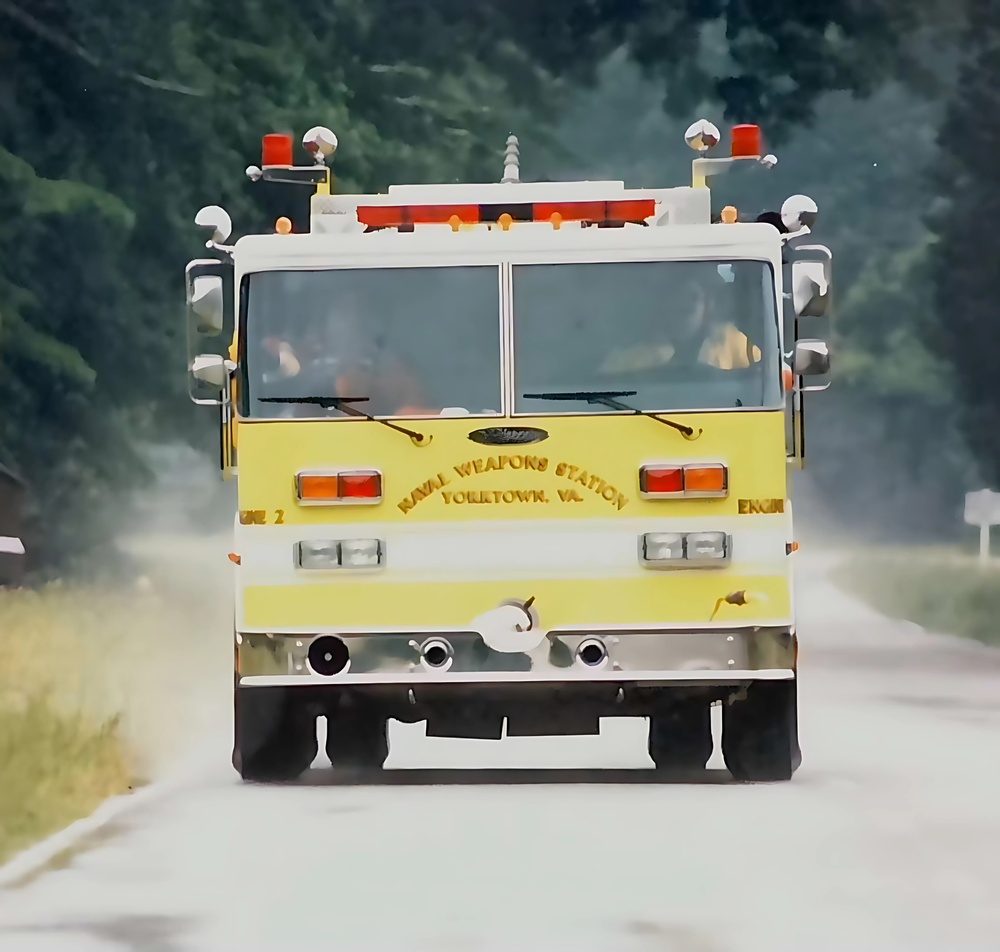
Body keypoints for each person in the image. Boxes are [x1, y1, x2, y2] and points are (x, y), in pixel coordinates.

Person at [599, 274, 761, 375]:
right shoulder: (627, 355)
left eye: (693, 297)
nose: (684, 303)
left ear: (708, 306)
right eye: (674, 296)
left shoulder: (734, 343)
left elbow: (766, 377)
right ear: (661, 305)